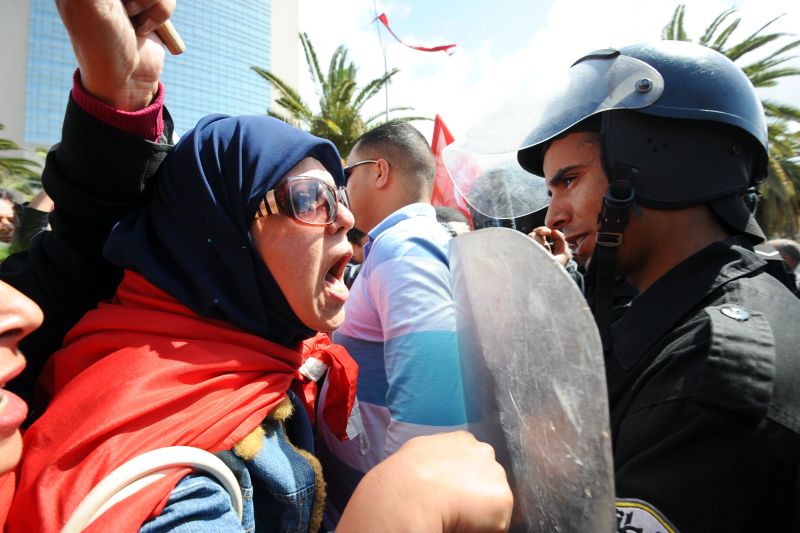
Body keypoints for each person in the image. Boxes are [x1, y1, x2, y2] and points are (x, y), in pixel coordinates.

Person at [7, 2, 514, 532]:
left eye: (341, 193)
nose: (346, 217)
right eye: (313, 198)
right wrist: (404, 507)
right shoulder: (176, 464)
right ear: (228, 240)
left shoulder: (262, 361)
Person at [503, 41, 800, 531]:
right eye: (550, 192)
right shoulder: (678, 319)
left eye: (570, 181)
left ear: (660, 162)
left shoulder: (713, 370)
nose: (554, 214)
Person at [316, 121, 467, 524]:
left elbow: (430, 418)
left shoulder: (406, 246)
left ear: (379, 171)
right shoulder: (396, 245)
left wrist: (391, 512)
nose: (342, 190)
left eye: (348, 174)